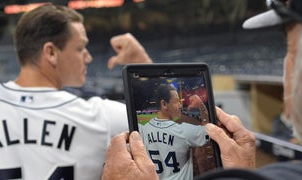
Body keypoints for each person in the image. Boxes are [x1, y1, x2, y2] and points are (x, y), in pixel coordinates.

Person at [103, 0, 302, 179]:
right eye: (290, 50)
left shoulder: (142, 130)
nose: (288, 70)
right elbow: (208, 128)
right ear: (164, 104)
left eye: (291, 50)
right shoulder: (185, 130)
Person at [0, 4, 151, 180]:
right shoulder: (98, 118)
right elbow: (159, 120)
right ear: (51, 52)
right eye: (80, 48)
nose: (88, 57)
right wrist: (142, 67)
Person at [138, 84, 210, 179]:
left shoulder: (142, 130)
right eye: (176, 101)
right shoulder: (183, 131)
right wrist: (201, 105)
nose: (180, 105)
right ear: (164, 104)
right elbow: (209, 130)